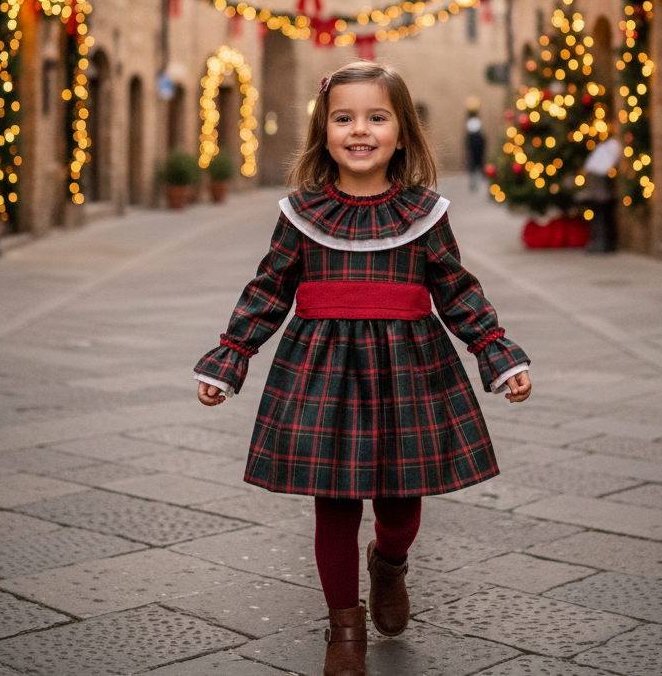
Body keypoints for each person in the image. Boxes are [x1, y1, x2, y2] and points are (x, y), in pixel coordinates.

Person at [195, 60, 532, 676]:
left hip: (409, 371)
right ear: (323, 130)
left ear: (402, 132)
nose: (360, 130)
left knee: (402, 503)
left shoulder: (425, 213)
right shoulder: (301, 213)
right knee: (335, 502)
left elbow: (457, 291)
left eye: (377, 118)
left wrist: (496, 352)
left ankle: (390, 563)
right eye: (343, 118)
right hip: (321, 373)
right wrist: (231, 356)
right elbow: (268, 289)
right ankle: (344, 627)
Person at [465, 114, 487, 191]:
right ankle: (475, 185)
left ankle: (477, 185)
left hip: (476, 156)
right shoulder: (476, 136)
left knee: (476, 170)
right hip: (476, 156)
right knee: (475, 170)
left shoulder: (472, 136)